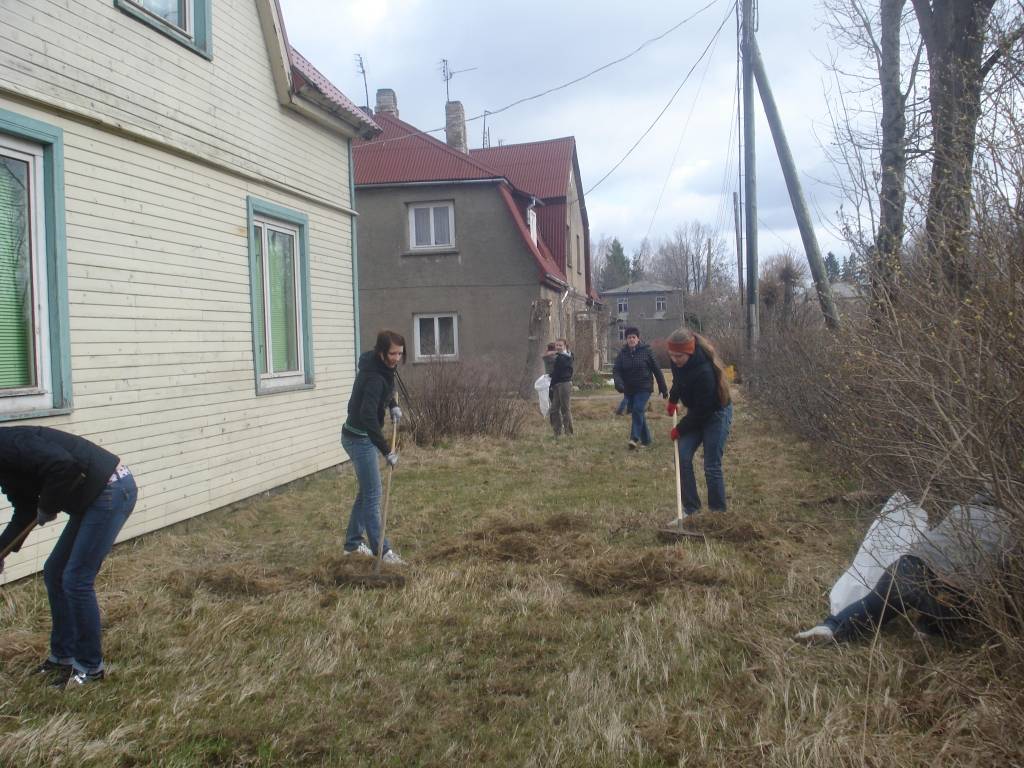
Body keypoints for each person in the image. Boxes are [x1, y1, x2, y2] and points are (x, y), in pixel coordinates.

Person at [0, 426, 138, 687]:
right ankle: (62, 657)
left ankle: (90, 667)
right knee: (55, 572)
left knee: (76, 579)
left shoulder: (10, 444)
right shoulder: (5, 465)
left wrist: (47, 506)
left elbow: (63, 465)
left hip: (111, 488)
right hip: (92, 496)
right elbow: (25, 510)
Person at [795, 492, 1011, 644]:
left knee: (873, 605)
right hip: (955, 590)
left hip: (912, 566)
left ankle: (831, 628)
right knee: (961, 601)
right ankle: (929, 631)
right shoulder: (1012, 525)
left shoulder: (960, 510)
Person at [341, 330, 405, 564]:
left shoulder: (381, 367)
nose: (396, 358)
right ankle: (382, 551)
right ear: (381, 352)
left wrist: (392, 405)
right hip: (359, 439)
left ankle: (352, 544)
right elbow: (368, 415)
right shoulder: (374, 377)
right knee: (373, 494)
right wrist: (386, 450)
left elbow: (387, 387)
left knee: (367, 491)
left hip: (361, 435)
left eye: (400, 353)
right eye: (392, 353)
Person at [666, 328, 733, 515]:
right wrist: (673, 400)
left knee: (711, 465)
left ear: (689, 351)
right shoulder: (677, 362)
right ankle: (691, 509)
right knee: (682, 456)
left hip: (715, 414)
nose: (675, 360)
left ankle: (717, 513)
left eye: (679, 356)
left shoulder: (705, 371)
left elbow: (703, 411)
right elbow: (678, 381)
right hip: (697, 412)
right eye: (672, 355)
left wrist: (680, 429)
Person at [612, 327, 667, 449]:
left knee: (637, 409)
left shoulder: (646, 351)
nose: (631, 339)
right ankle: (646, 440)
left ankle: (634, 438)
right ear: (626, 339)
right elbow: (616, 370)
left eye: (633, 337)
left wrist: (663, 388)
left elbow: (657, 370)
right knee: (637, 412)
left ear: (638, 339)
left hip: (644, 387)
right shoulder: (622, 354)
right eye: (629, 337)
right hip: (629, 388)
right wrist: (618, 383)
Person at [547, 338, 574, 437]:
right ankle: (557, 432)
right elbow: (555, 371)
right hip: (556, 384)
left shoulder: (567, 357)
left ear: (565, 346)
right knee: (554, 409)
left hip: (565, 384)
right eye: (556, 345)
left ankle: (569, 433)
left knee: (565, 409)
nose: (558, 347)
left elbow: (563, 366)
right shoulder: (557, 356)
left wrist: (555, 355)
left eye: (560, 345)